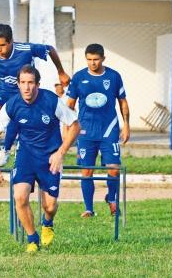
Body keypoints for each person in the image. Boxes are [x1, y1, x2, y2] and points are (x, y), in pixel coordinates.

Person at [0, 65, 79, 253]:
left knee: (50, 206)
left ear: (38, 84)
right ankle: (32, 239)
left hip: (50, 158)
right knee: (19, 197)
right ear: (18, 84)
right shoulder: (12, 105)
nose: (26, 87)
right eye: (22, 83)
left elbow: (75, 126)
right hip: (26, 156)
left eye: (30, 83)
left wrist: (60, 153)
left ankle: (48, 222)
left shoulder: (51, 101)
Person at [0, 24, 71, 167]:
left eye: (3, 45)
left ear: (11, 41)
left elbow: (50, 49)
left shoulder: (26, 50)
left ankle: (6, 150)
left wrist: (61, 72)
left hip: (23, 90)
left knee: (15, 117)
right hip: (4, 89)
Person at [66, 43, 130, 218]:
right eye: (89, 60)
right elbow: (69, 105)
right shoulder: (78, 78)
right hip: (86, 131)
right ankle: (88, 208)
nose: (92, 63)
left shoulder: (114, 76)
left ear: (103, 58)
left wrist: (126, 125)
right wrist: (68, 129)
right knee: (87, 171)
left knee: (114, 168)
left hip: (109, 129)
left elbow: (123, 102)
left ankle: (111, 198)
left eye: (95, 59)